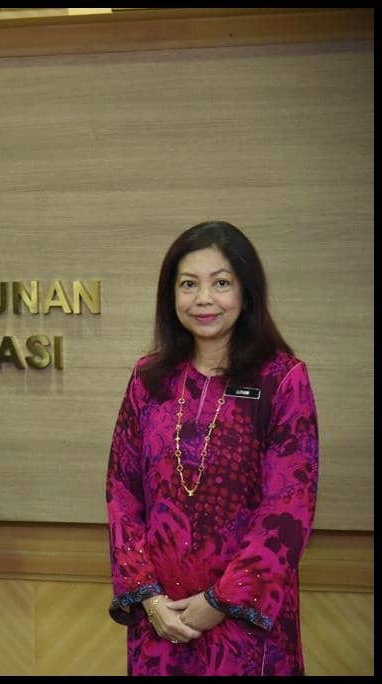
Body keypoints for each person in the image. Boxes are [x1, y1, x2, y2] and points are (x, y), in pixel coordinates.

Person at [105, 220, 319, 675]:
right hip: (160, 619)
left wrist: (220, 601)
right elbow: (122, 493)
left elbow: (289, 507)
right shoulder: (148, 379)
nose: (204, 298)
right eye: (189, 284)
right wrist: (148, 596)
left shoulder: (282, 380)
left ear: (246, 292)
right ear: (171, 295)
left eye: (221, 283)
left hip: (245, 621)